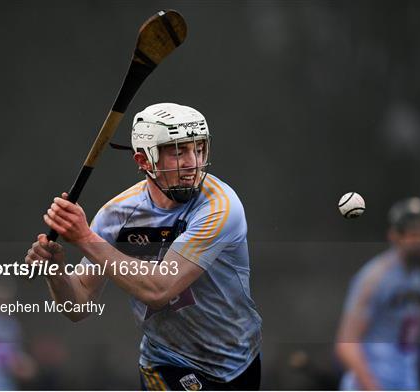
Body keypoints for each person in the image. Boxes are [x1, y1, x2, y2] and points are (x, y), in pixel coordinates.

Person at [25, 103, 262, 390]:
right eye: (178, 152)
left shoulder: (220, 207)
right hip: (166, 361)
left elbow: (160, 289)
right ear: (144, 160)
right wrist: (56, 270)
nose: (193, 162)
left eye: (199, 149)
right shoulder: (116, 216)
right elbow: (79, 305)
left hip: (239, 359)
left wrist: (86, 239)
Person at [335, 198, 420, 390]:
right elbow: (346, 344)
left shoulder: (418, 279)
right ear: (394, 235)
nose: (418, 241)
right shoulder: (375, 278)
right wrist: (372, 387)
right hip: (371, 384)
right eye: (411, 233)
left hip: (405, 381)